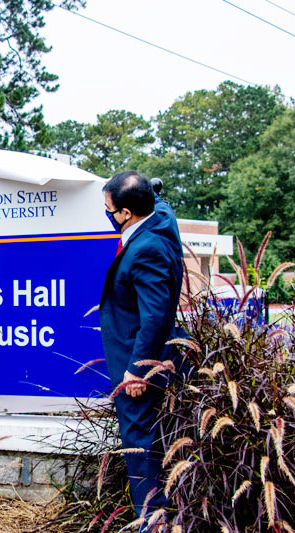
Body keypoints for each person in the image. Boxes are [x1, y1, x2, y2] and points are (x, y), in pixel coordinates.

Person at [99, 171, 184, 528]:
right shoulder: (161, 218)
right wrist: (152, 189)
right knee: (149, 440)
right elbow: (158, 199)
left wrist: (137, 369)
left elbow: (156, 315)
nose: (105, 213)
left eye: (109, 209)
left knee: (140, 445)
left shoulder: (147, 250)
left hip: (139, 365)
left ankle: (152, 521)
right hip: (146, 358)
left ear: (127, 214)